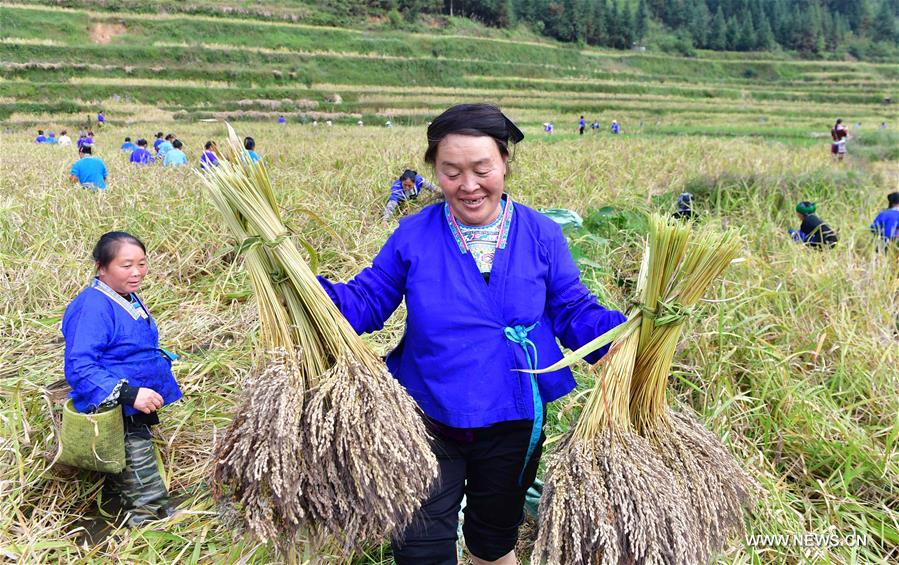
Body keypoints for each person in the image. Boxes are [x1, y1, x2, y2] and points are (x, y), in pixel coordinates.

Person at [317, 103, 626, 564]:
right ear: (434, 171)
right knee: (419, 547)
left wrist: (622, 338)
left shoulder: (541, 234)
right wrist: (308, 293)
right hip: (426, 414)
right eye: (451, 171)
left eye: (482, 169)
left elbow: (572, 310)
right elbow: (368, 300)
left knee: (492, 540)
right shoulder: (414, 235)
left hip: (512, 417)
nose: (468, 185)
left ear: (504, 162)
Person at [62, 231, 181, 527]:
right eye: (126, 265)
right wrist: (128, 394)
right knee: (143, 477)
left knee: (131, 466)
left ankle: (130, 506)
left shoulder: (124, 296)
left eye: (142, 263)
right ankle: (151, 526)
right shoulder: (93, 306)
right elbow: (79, 364)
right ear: (102, 267)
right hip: (116, 405)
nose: (137, 272)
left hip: (134, 402)